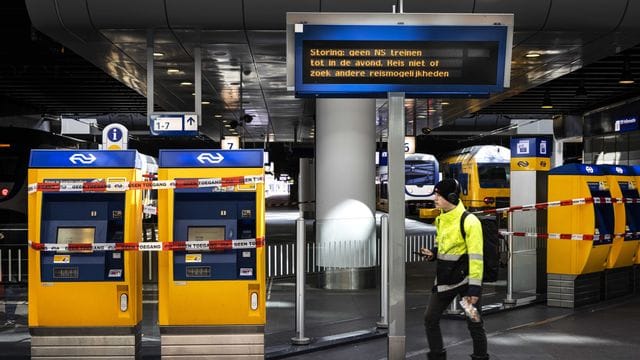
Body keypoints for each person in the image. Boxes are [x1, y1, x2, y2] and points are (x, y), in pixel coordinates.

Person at [419, 178, 488, 360]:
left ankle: (480, 357)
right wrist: (433, 253)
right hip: (444, 281)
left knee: (474, 322)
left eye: (438, 195)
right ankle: (437, 355)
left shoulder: (470, 221)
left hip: (466, 286)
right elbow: (443, 244)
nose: (434, 198)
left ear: (451, 197)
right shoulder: (441, 218)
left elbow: (476, 257)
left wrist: (474, 288)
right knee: (430, 319)